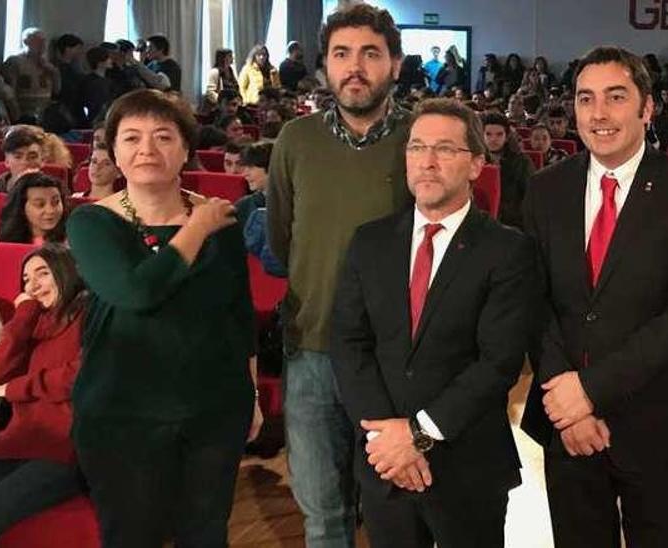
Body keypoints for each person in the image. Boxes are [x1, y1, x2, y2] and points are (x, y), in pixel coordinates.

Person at [520, 45, 668, 548]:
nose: (599, 114)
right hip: (566, 423)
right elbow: (531, 302)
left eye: (615, 97)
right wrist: (566, 401)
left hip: (655, 422)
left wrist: (590, 390)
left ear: (647, 108)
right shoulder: (545, 189)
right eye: (586, 99)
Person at [329, 97, 534, 548]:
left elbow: (499, 361)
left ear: (477, 164)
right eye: (417, 147)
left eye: (444, 149)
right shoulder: (371, 241)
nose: (427, 161)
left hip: (466, 460)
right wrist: (387, 435)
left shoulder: (507, 249)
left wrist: (417, 435)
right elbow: (347, 343)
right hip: (384, 461)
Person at [65, 89, 260, 546]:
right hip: (123, 412)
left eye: (163, 136)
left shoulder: (219, 220)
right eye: (131, 138)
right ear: (114, 151)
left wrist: (249, 390)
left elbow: (239, 312)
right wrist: (197, 227)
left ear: (186, 148)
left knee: (206, 533)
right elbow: (136, 291)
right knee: (132, 535)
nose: (147, 150)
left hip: (213, 407)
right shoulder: (92, 223)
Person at [267, 5, 413, 545]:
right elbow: (284, 238)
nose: (355, 67)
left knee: (393, 510)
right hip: (312, 348)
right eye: (342, 55)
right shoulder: (296, 140)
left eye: (370, 54)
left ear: (395, 65)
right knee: (323, 514)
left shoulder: (421, 141)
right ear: (325, 67)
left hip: (397, 355)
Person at [0, 244, 86, 546]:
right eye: (26, 280)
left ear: (65, 273)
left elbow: (80, 377)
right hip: (12, 443)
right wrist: (24, 315)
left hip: (65, 448)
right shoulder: (32, 322)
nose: (32, 285)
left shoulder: (90, 314)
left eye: (42, 274)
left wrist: (13, 389)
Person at [233, 141, 283, 277]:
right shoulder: (243, 206)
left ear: (271, 169)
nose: (245, 174)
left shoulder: (294, 206)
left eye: (251, 167)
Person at [480, 112, 531, 228]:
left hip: (514, 222)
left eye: (499, 134)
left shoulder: (522, 162)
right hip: (481, 220)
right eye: (488, 134)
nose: (493, 139)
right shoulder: (474, 161)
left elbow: (529, 196)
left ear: (507, 136)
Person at [0, 28, 58, 121]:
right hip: (24, 113)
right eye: (38, 41)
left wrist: (54, 72)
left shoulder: (46, 63)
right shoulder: (15, 61)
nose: (42, 45)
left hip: (44, 113)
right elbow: (10, 92)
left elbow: (56, 90)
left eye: (44, 41)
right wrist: (16, 115)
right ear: (26, 42)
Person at [0, 172, 65, 245]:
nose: (50, 211)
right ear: (21, 207)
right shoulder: (3, 241)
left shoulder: (72, 240)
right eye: (40, 205)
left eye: (56, 202)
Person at [0, 125, 45, 194]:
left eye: (32, 157)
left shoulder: (53, 191)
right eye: (18, 157)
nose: (25, 162)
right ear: (7, 161)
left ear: (42, 160)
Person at [81, 46, 116, 125]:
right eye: (108, 58)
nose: (111, 60)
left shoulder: (108, 80)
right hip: (95, 119)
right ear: (100, 62)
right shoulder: (91, 82)